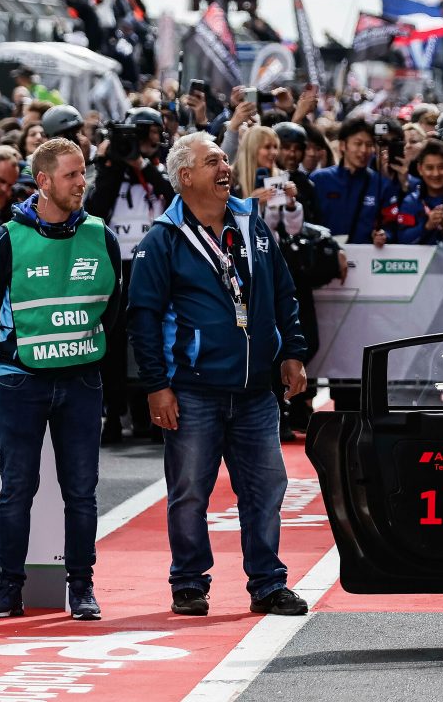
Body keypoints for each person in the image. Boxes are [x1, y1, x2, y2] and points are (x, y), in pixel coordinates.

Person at [128, 132, 310, 617]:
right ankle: (189, 582)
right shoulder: (162, 239)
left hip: (255, 390)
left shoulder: (252, 228)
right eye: (213, 161)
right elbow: (143, 317)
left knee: (266, 489)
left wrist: (291, 352)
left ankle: (268, 583)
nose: (225, 167)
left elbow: (284, 294)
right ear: (185, 177)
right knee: (189, 493)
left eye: (226, 159)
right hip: (192, 391)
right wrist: (157, 385)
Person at [0, 138, 124, 621]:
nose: (83, 182)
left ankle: (81, 587)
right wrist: (16, 351)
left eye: (84, 173)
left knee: (82, 490)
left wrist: (80, 348)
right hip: (22, 382)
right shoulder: (4, 239)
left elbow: (114, 306)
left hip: (80, 379)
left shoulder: (101, 235)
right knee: (17, 488)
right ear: (43, 181)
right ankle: (8, 588)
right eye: (72, 175)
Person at [85, 106, 173, 441]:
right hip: (115, 262)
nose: (136, 141)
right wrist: (111, 166)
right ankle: (114, 413)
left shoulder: (160, 167)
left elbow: (172, 195)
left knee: (156, 334)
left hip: (152, 262)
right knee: (113, 338)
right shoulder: (109, 169)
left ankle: (154, 413)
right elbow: (95, 210)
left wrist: (142, 166)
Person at [309, 118, 402, 245]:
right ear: (343, 145)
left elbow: (392, 225)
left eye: (369, 145)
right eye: (358, 143)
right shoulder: (319, 179)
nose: (364, 150)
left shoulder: (382, 184)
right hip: (325, 258)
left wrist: (385, 235)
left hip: (366, 259)